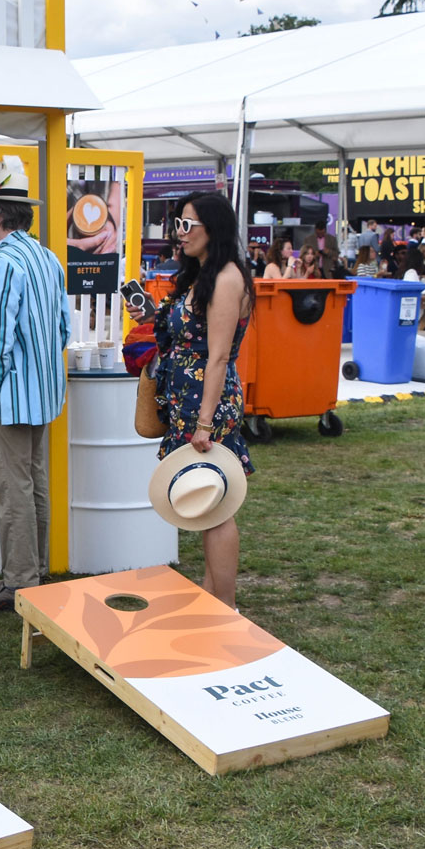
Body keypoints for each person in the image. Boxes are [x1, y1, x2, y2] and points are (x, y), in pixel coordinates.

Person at [0, 166, 68, 611]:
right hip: (40, 390)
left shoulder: (2, 262)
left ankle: (20, 581)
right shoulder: (46, 257)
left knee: (13, 488)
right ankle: (32, 572)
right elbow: (63, 328)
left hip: (8, 393)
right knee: (33, 482)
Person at [152, 191, 254, 607]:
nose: (180, 233)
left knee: (217, 504)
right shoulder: (201, 274)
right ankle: (213, 595)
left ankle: (225, 605)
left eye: (187, 224)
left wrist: (205, 424)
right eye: (177, 224)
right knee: (206, 502)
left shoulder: (226, 278)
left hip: (207, 405)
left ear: (213, 227)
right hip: (190, 403)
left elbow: (218, 357)